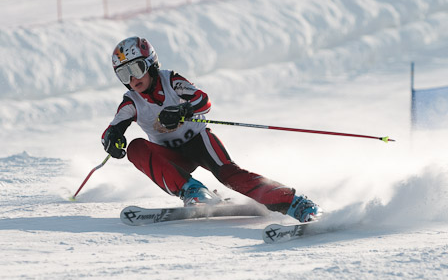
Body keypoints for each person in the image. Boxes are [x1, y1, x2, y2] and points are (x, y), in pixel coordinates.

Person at [101, 36, 321, 222]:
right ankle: (194, 191)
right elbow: (111, 130)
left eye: (136, 69)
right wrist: (113, 140)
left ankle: (297, 204)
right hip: (172, 157)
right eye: (123, 74)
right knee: (136, 148)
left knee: (230, 175)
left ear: (151, 64)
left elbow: (203, 100)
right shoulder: (131, 102)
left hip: (199, 143)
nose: (132, 79)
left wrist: (182, 110)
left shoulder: (171, 81)